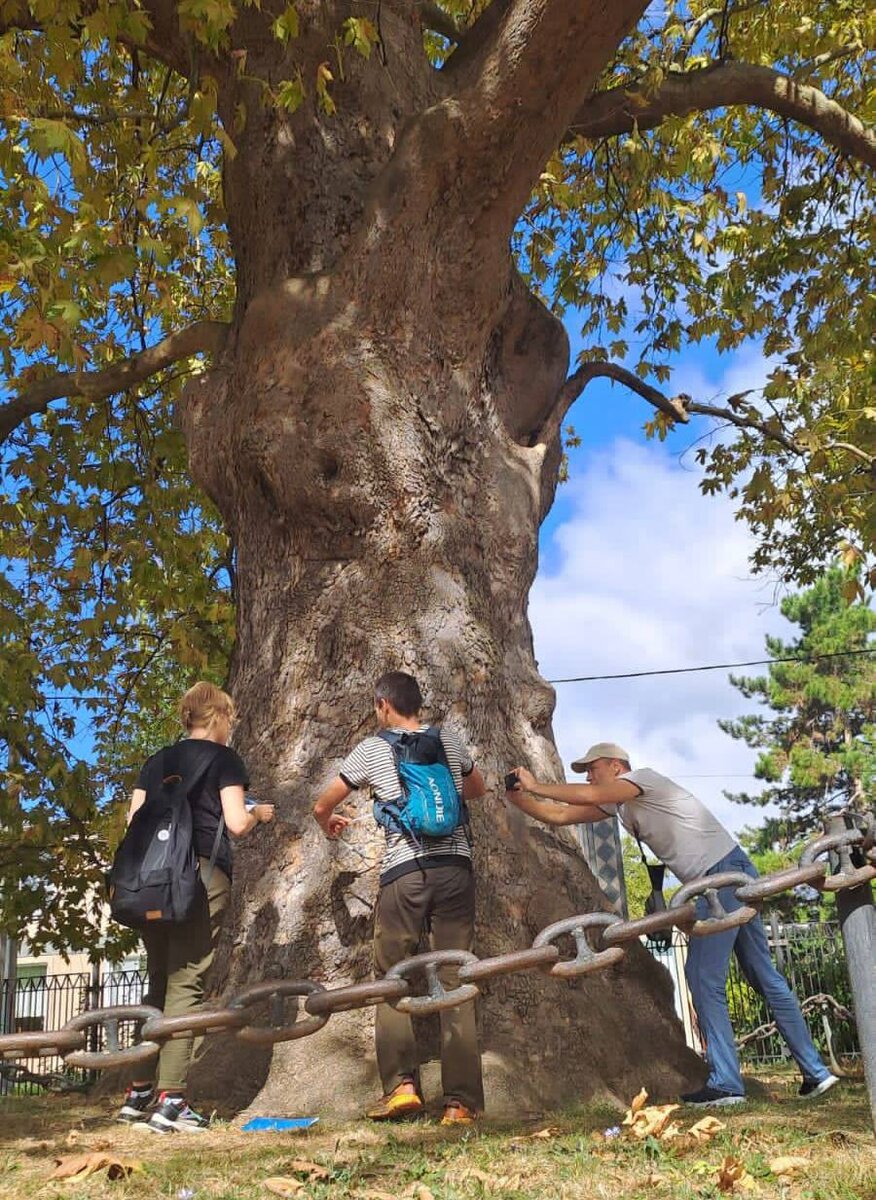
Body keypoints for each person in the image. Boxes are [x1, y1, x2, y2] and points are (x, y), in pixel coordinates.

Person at [505, 742, 839, 1108]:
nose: (588, 774)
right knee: (763, 976)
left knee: (701, 975)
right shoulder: (620, 806)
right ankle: (816, 1073)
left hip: (720, 879)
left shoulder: (641, 779)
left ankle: (727, 1083)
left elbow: (589, 793)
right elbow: (561, 815)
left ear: (617, 766)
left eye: (593, 767)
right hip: (728, 873)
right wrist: (520, 799)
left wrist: (536, 784)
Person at [313, 671, 486, 1124]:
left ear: (383, 705)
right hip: (456, 869)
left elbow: (323, 801)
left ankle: (403, 1088)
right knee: (456, 976)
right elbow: (477, 789)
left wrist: (326, 821)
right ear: (418, 704)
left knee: (390, 976)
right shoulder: (448, 739)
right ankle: (461, 1102)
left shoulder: (373, 748)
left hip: (404, 873)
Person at [117, 681, 275, 1132]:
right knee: (188, 982)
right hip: (200, 880)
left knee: (157, 984)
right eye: (229, 720)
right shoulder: (224, 760)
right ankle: (172, 1101)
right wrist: (258, 812)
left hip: (151, 886)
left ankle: (138, 1092)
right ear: (219, 716)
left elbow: (134, 822)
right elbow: (237, 824)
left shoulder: (156, 762)